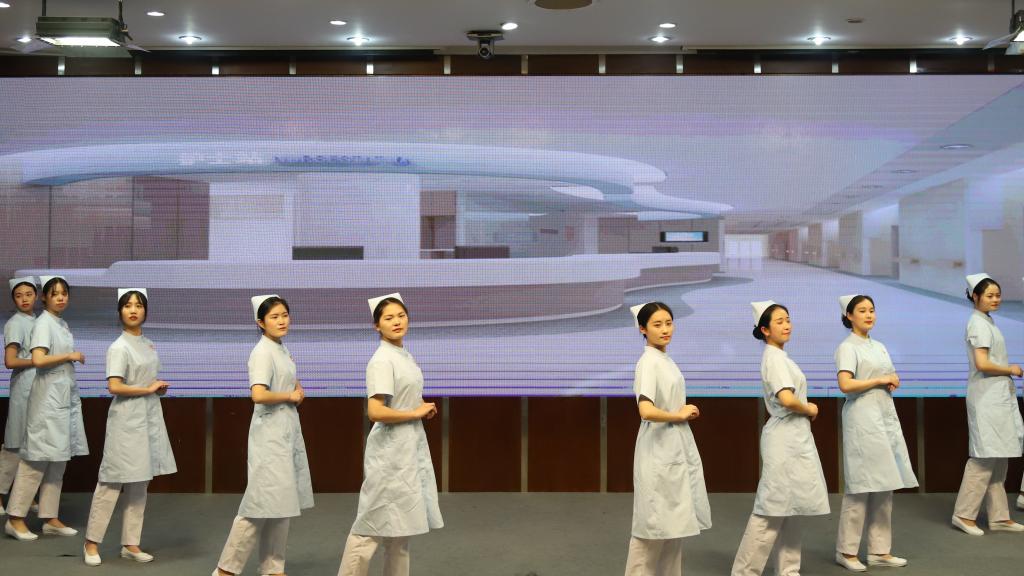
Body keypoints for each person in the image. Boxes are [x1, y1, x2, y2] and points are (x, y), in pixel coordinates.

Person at [337, 293, 443, 576]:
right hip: (390, 450)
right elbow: (375, 411)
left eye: (401, 316)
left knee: (402, 527)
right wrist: (414, 412)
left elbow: (404, 398)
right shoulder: (382, 360)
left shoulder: (403, 355)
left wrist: (420, 408)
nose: (397, 322)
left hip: (408, 445)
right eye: (388, 318)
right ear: (377, 326)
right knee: (370, 525)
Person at [213, 295, 313, 576]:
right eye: (274, 317)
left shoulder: (282, 349)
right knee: (259, 502)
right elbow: (258, 394)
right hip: (269, 434)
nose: (282, 321)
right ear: (260, 322)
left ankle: (273, 568)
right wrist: (289, 395)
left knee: (283, 501)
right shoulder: (262, 352)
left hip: (285, 429)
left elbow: (288, 381)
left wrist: (297, 390)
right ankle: (225, 570)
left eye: (285, 315)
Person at [731, 301, 829, 576]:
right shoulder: (773, 358)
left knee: (793, 506)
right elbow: (787, 399)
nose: (786, 325)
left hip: (795, 436)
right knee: (772, 507)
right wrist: (809, 408)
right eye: (779, 321)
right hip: (784, 436)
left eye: (787, 319)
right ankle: (744, 572)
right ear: (765, 330)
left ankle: (788, 570)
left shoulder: (781, 357)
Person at [83, 288, 177, 566]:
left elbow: (147, 380)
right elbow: (114, 386)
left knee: (140, 481)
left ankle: (130, 543)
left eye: (138, 305)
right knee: (111, 481)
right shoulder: (118, 347)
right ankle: (91, 543)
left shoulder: (148, 344)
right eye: (127, 305)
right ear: (120, 311)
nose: (133, 310)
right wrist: (146, 389)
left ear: (145, 311)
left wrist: (155, 389)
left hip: (147, 416)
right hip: (125, 420)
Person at [623, 301, 710, 576]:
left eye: (669, 323)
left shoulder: (665, 360)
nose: (665, 330)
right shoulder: (648, 363)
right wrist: (678, 414)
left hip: (674, 445)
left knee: (674, 527)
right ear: (642, 329)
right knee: (652, 529)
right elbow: (645, 410)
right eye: (657, 325)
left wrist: (681, 413)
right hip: (658, 447)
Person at [833, 294, 917, 571]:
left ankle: (880, 550)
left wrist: (892, 380)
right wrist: (881, 379)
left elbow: (889, 374)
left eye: (872, 310)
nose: (869, 315)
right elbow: (845, 384)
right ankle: (846, 551)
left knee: (884, 483)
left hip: (883, 415)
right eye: (862, 311)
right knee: (860, 486)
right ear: (849, 316)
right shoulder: (847, 347)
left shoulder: (879, 346)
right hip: (861, 418)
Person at [4, 275, 88, 540]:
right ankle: (15, 518)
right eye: (55, 293)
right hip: (47, 401)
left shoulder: (60, 323)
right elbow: (38, 359)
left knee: (58, 460)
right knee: (36, 459)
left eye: (64, 293)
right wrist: (69, 356)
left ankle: (50, 517)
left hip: (61, 398)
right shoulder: (43, 323)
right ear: (45, 297)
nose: (61, 297)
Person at [951, 273, 1024, 535]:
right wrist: (1010, 369)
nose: (995, 299)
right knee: (984, 457)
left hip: (996, 396)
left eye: (998, 295)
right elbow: (982, 363)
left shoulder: (987, 321)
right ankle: (963, 514)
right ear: (975, 296)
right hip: (986, 397)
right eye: (990, 295)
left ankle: (999, 516)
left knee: (999, 457)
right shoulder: (977, 324)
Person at [0, 277, 38, 514]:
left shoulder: (38, 321)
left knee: (31, 445)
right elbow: (10, 361)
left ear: (36, 296)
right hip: (23, 389)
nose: (24, 299)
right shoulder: (16, 323)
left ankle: (25, 496)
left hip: (38, 390)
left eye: (28, 294)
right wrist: (38, 360)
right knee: (14, 444)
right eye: (18, 295)